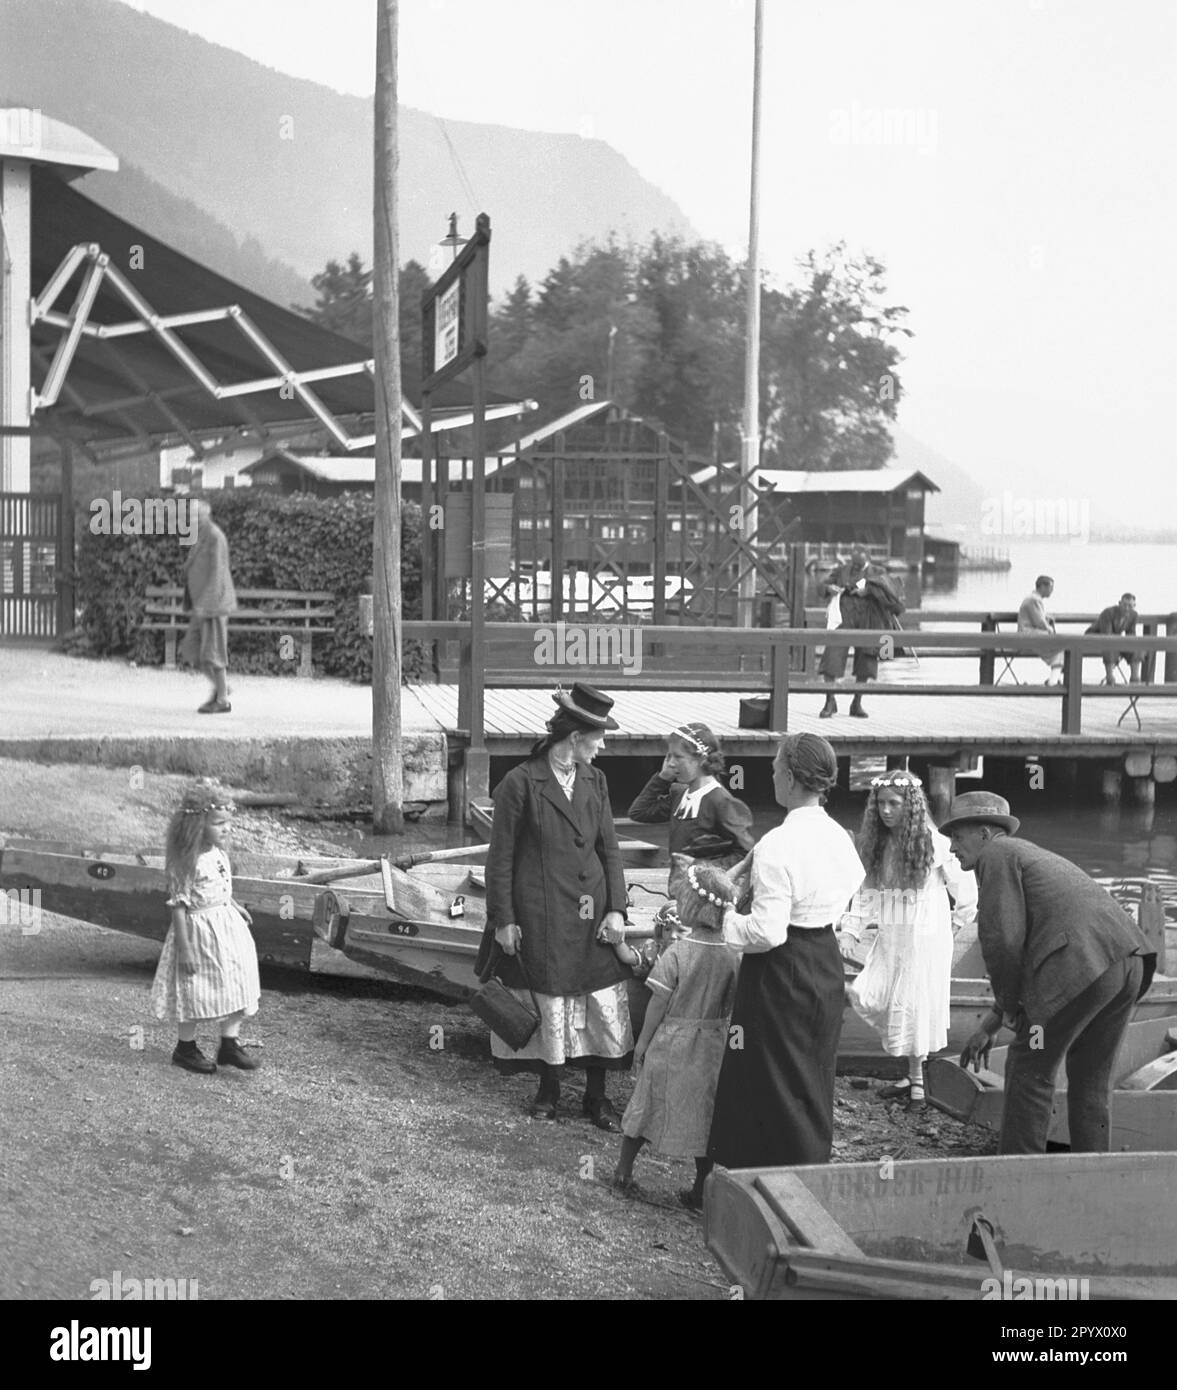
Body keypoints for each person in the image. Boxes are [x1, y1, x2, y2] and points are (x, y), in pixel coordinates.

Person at [946, 792, 1156, 1154]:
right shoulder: (1024, 854)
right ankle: (1093, 1170)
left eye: (957, 837)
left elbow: (1003, 942)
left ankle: (1020, 1171)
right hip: (1127, 964)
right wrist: (991, 1024)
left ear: (983, 833)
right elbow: (1025, 946)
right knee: (1092, 1077)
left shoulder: (996, 857)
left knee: (1030, 1064)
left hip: (1084, 966)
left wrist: (1011, 1010)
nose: (951, 848)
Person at [704, 733, 865, 1170]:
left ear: (791, 778)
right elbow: (854, 884)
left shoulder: (779, 843)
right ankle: (808, 1170)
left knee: (764, 1074)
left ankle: (754, 1174)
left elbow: (767, 931)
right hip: (824, 961)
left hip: (781, 967)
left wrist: (725, 921)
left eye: (776, 769)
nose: (772, 775)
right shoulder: (839, 837)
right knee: (811, 1073)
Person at [477, 682, 634, 1130]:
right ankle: (549, 1090)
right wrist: (503, 920)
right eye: (598, 738)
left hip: (594, 916)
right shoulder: (521, 784)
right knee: (552, 1001)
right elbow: (500, 860)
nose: (602, 747)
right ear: (575, 737)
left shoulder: (596, 781)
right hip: (543, 915)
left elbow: (611, 851)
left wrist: (617, 909)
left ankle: (596, 1097)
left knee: (598, 1002)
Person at [843, 770, 977, 1111]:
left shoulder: (935, 842)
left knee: (914, 1003)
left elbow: (965, 891)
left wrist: (954, 927)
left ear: (910, 805)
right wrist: (851, 930)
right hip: (893, 934)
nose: (886, 810)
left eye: (894, 803)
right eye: (881, 803)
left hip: (925, 936)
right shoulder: (879, 844)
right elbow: (866, 893)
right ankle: (911, 1073)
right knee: (875, 993)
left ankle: (917, 1086)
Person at [612, 857, 741, 1210]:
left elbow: (657, 1004)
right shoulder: (733, 955)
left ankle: (624, 1169)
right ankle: (700, 1187)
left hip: (674, 1039)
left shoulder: (678, 953)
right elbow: (734, 1005)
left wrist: (641, 1044)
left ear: (692, 906)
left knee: (649, 1100)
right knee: (705, 1113)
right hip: (714, 1043)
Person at [151, 781, 261, 1074]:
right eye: (218, 823)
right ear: (198, 824)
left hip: (225, 927)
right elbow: (179, 905)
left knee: (238, 978)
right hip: (198, 932)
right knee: (195, 987)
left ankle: (229, 1043)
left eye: (228, 823)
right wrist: (185, 948)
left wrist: (233, 905)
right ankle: (185, 1048)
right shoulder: (187, 862)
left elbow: (219, 887)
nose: (226, 829)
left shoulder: (218, 853)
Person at [626, 722, 755, 868]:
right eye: (669, 757)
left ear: (700, 759)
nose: (671, 764)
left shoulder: (721, 802)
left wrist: (699, 866)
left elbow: (745, 854)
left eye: (678, 757)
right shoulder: (680, 795)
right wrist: (663, 777)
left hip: (707, 886)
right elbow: (639, 812)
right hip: (679, 887)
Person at [818, 547, 904, 719]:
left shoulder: (878, 572)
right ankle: (829, 700)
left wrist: (869, 591)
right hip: (844, 617)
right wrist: (829, 589)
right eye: (854, 563)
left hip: (869, 618)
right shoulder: (842, 571)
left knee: (867, 660)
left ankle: (857, 702)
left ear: (868, 559)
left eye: (860, 563)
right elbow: (823, 584)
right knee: (832, 657)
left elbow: (891, 591)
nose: (856, 566)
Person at [180, 499, 237, 714]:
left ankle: (222, 700)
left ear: (206, 515)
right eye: (190, 515)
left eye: (195, 515)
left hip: (213, 605)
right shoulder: (199, 535)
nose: (191, 519)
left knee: (213, 653)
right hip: (200, 604)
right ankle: (221, 688)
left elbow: (219, 573)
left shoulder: (215, 536)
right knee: (191, 649)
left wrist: (206, 605)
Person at [1017, 575, 1063, 685]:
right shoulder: (1034, 600)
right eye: (1050, 587)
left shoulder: (1033, 599)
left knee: (1062, 647)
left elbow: (1038, 618)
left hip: (1031, 634)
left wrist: (1047, 618)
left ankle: (1054, 679)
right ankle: (1053, 681)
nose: (1052, 590)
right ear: (1042, 586)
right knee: (1061, 646)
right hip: (1029, 635)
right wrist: (1050, 629)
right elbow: (1039, 622)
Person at [1086, 593, 1139, 685]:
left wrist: (1129, 644)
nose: (1127, 608)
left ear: (1134, 606)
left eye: (1130, 606)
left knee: (1136, 648)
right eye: (1124, 605)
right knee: (1110, 647)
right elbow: (1107, 634)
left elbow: (1131, 634)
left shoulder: (1134, 615)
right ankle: (1110, 678)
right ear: (1119, 603)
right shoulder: (1108, 612)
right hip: (1096, 637)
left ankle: (1135, 678)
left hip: (1115, 638)